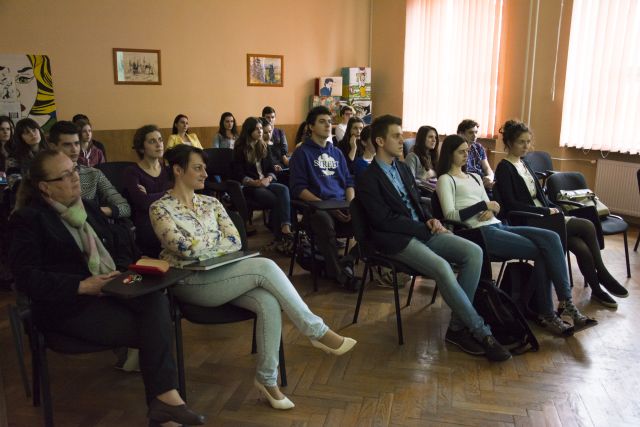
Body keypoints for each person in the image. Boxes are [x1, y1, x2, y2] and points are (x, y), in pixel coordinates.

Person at [150, 144, 356, 410]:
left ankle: (267, 379)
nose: (205, 174)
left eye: (204, 168)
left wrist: (204, 244)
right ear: (178, 170)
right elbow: (183, 248)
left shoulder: (212, 203)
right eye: (198, 168)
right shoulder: (160, 208)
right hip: (190, 281)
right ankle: (316, 331)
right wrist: (215, 242)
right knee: (265, 266)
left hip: (225, 273)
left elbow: (235, 241)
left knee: (268, 302)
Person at [9, 149, 206, 426]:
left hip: (112, 290)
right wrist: (82, 285)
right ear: (45, 187)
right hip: (68, 305)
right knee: (154, 327)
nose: (75, 178)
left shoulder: (88, 208)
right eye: (65, 175)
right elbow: (26, 278)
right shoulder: (28, 220)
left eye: (75, 170)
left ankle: (165, 403)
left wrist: (128, 271)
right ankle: (165, 407)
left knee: (157, 301)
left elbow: (120, 248)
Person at [357, 115, 511, 361]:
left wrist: (431, 219)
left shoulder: (402, 169)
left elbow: (417, 203)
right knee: (442, 267)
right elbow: (383, 221)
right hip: (396, 240)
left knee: (474, 252)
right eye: (396, 136)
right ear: (380, 141)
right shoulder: (368, 178)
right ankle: (482, 332)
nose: (402, 140)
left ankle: (457, 326)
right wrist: (422, 228)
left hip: (421, 230)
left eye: (401, 135)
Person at [436, 134, 596, 335]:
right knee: (543, 251)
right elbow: (450, 215)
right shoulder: (446, 179)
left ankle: (565, 303)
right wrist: (483, 206)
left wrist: (492, 209)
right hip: (480, 233)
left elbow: (495, 205)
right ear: (449, 154)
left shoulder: (475, 177)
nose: (466, 155)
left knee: (552, 238)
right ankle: (549, 312)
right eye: (461, 152)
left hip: (497, 225)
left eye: (467, 151)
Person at [494, 120, 628, 308]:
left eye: (528, 141)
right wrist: (545, 210)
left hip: (545, 216)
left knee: (580, 246)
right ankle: (603, 275)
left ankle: (597, 290)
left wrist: (552, 207)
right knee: (587, 225)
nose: (526, 146)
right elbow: (511, 204)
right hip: (528, 219)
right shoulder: (504, 168)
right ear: (509, 143)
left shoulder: (524, 163)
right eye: (521, 142)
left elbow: (539, 195)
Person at [289, 106, 356, 288]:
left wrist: (351, 205)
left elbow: (349, 182)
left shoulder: (337, 153)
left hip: (342, 206)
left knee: (371, 217)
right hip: (316, 209)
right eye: (322, 121)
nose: (328, 125)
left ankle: (348, 260)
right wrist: (327, 207)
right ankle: (339, 273)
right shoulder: (302, 153)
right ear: (311, 126)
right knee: (323, 220)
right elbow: (298, 189)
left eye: (329, 121)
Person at [232, 117, 293, 253]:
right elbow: (238, 173)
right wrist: (254, 182)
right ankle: (279, 237)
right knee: (276, 200)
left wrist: (269, 178)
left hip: (266, 182)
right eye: (257, 129)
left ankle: (285, 227)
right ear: (249, 131)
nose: (260, 131)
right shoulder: (240, 148)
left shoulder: (264, 146)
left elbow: (271, 168)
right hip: (250, 186)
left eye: (261, 128)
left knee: (284, 189)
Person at [47, 120, 131, 219]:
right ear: (53, 147)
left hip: (91, 224)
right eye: (67, 145)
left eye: (77, 143)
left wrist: (93, 211)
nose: (74, 149)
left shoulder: (93, 173)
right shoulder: (45, 176)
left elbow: (125, 208)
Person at [123, 125, 171, 257]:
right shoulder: (132, 172)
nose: (159, 145)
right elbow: (143, 202)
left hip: (170, 218)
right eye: (152, 141)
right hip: (146, 223)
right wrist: (169, 193)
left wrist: (150, 196)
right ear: (141, 148)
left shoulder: (169, 170)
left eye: (160, 140)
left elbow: (179, 197)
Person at [5, 117, 47, 190]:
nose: (32, 134)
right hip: (27, 194)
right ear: (20, 138)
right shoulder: (14, 157)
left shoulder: (51, 152)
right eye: (27, 132)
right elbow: (14, 184)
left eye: (34, 130)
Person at [457, 119, 494, 191]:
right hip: (468, 183)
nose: (475, 136)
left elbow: (487, 168)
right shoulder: (456, 149)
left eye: (476, 132)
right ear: (461, 134)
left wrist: (490, 177)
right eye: (470, 133)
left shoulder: (478, 147)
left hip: (482, 180)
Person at [404, 125, 439, 195]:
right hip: (422, 193)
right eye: (430, 137)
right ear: (422, 139)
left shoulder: (432, 156)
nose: (434, 140)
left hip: (435, 190)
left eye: (435, 137)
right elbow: (410, 181)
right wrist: (427, 184)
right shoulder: (412, 157)